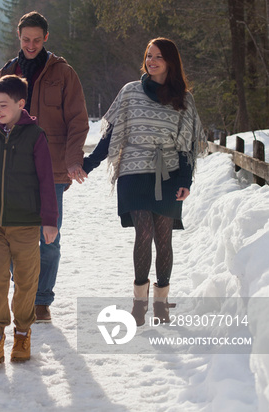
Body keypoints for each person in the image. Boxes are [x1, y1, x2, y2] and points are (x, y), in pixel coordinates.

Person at [82, 38, 206, 325]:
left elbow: (187, 145)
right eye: (149, 55)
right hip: (133, 173)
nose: (152, 61)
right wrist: (90, 163)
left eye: (158, 57)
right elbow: (111, 135)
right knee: (144, 233)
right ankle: (139, 303)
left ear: (170, 62)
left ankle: (160, 304)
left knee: (164, 238)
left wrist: (186, 179)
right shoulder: (130, 92)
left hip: (169, 174)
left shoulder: (184, 99)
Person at [0, 11, 89, 323]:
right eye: (25, 39)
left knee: (49, 239)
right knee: (18, 236)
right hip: (13, 170)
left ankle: (42, 300)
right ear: (18, 38)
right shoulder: (8, 71)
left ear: (45, 38)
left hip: (53, 168)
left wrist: (73, 159)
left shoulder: (63, 72)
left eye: (36, 39)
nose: (30, 45)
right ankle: (25, 294)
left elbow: (78, 119)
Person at [0, 75, 58, 367]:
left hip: (25, 223)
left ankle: (22, 332)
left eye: (3, 104)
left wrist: (49, 220)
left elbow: (46, 181)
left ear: (20, 104)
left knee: (26, 280)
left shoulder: (35, 136)